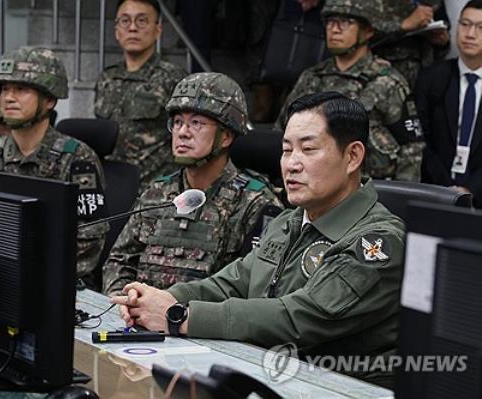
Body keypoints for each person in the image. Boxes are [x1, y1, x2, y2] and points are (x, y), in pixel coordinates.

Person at [112, 92, 405, 389]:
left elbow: (299, 317)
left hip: (338, 389)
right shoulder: (290, 221)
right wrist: (163, 300)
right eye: (287, 150)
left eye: (308, 149)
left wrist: (179, 317)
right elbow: (232, 282)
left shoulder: (377, 242)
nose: (292, 164)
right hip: (270, 377)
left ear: (352, 156)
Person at [102, 72, 283, 296]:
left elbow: (257, 287)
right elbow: (119, 261)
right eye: (178, 122)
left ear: (225, 137)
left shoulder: (255, 203)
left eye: (196, 123)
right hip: (139, 324)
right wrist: (123, 299)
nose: (182, 133)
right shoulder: (156, 193)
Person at [0, 46, 108, 291]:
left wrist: (30, 273)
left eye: (21, 89)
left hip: (56, 286)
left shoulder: (77, 158)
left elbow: (89, 240)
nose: (8, 98)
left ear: (49, 100)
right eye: (4, 89)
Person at [274, 0, 425, 182]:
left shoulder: (387, 83)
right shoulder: (311, 77)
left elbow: (411, 149)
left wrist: (399, 200)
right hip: (310, 185)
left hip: (367, 191)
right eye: (330, 22)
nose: (335, 29)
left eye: (346, 23)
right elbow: (281, 133)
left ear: (368, 31)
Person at [94, 0, 187, 189]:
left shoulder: (173, 79)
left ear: (158, 30)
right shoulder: (106, 78)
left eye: (142, 21)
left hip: (154, 191)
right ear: (117, 31)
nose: (133, 28)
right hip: (110, 187)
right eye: (125, 21)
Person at [416, 0, 482, 208]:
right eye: (465, 24)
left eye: (481, 27)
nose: (470, 34)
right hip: (434, 194)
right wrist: (446, 190)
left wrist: (471, 188)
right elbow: (419, 140)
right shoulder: (432, 78)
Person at [372, 0, 450, 89]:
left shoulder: (435, 2)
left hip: (426, 78)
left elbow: (441, 46)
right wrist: (403, 26)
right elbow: (362, 37)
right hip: (385, 79)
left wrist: (442, 43)